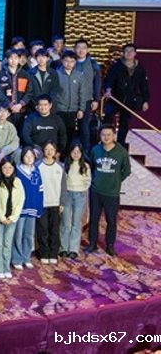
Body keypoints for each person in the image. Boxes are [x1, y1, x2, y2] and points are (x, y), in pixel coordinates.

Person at [85, 125, 130, 256]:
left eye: (109, 135)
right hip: (96, 191)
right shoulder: (95, 150)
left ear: (114, 135)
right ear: (100, 136)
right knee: (94, 219)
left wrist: (116, 180)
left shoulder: (121, 151)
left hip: (112, 193)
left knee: (111, 220)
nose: (106, 137)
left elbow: (127, 170)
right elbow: (91, 166)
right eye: (103, 135)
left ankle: (110, 245)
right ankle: (92, 243)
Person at [103, 43, 150, 147]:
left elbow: (144, 86)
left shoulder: (140, 69)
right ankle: (106, 141)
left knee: (124, 123)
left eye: (131, 51)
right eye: (126, 51)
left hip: (130, 100)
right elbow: (109, 80)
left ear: (135, 53)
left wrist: (145, 100)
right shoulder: (116, 66)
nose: (129, 53)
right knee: (108, 117)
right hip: (115, 98)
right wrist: (108, 90)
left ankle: (120, 144)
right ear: (123, 53)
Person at [0, 158, 24, 279]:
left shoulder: (18, 182)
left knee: (7, 244)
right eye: (4, 167)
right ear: (1, 168)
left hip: (11, 219)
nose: (7, 170)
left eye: (10, 167)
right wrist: (1, 217)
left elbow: (20, 201)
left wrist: (13, 217)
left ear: (14, 169)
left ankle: (6, 267)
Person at [12, 147, 43, 270]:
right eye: (26, 156)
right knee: (18, 235)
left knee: (29, 235)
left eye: (31, 156)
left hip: (33, 207)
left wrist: (39, 207)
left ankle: (26, 257)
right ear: (22, 157)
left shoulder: (36, 170)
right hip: (20, 208)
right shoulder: (17, 171)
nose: (29, 158)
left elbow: (40, 189)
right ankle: (17, 259)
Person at [59, 141, 91, 259]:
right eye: (74, 152)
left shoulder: (85, 166)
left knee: (76, 223)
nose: (76, 154)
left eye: (78, 152)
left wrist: (82, 189)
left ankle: (73, 249)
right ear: (70, 153)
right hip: (67, 194)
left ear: (81, 153)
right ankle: (63, 248)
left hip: (80, 195)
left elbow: (88, 181)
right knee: (65, 222)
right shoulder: (65, 165)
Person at [36, 141, 64, 265]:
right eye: (47, 149)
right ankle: (44, 253)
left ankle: (53, 253)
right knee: (43, 230)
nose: (49, 152)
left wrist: (62, 202)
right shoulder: (37, 165)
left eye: (52, 149)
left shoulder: (60, 166)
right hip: (42, 203)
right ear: (43, 151)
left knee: (54, 230)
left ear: (55, 151)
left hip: (55, 203)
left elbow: (64, 186)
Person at [0, 50, 32, 128]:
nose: (13, 60)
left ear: (19, 59)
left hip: (21, 110)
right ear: (7, 59)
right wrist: (9, 105)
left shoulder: (25, 74)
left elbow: (29, 92)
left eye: (16, 58)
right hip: (5, 111)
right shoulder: (0, 74)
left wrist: (20, 104)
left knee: (21, 133)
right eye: (11, 58)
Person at [74, 39, 102, 151]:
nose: (81, 50)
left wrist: (96, 99)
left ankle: (85, 151)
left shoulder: (93, 64)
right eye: (78, 48)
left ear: (88, 50)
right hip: (71, 99)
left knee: (84, 126)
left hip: (87, 99)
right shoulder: (70, 61)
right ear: (74, 49)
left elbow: (97, 83)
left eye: (84, 48)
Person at [55, 51, 85, 148]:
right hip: (59, 110)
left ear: (75, 62)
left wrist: (81, 109)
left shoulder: (79, 75)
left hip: (73, 110)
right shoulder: (56, 74)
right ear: (62, 61)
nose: (69, 63)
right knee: (59, 134)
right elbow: (53, 93)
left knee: (71, 134)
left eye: (72, 61)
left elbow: (82, 93)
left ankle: (68, 154)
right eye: (66, 61)